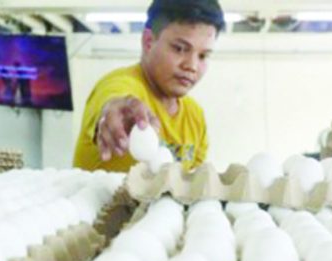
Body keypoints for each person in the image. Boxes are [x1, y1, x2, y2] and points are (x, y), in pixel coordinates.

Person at [72, 0, 225, 172]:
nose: (192, 66)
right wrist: (112, 111)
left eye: (203, 56)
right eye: (180, 48)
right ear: (148, 41)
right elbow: (111, 99)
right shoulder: (118, 84)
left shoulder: (195, 117)